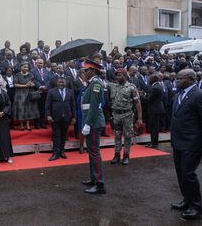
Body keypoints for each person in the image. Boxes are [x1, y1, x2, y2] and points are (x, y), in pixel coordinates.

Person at [170, 69, 202, 220]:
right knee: (180, 173)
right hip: (178, 141)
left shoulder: (200, 95)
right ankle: (186, 200)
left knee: (188, 173)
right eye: (176, 79)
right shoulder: (179, 95)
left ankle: (196, 207)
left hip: (192, 142)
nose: (176, 81)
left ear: (191, 78)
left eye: (179, 78)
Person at [80, 59, 106, 194]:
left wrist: (88, 124)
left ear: (93, 71)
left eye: (87, 70)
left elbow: (94, 106)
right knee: (91, 152)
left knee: (95, 153)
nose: (84, 72)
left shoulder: (96, 83)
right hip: (91, 121)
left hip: (94, 122)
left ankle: (100, 184)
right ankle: (94, 178)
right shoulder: (91, 83)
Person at [107, 68, 142, 165]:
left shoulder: (131, 87)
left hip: (127, 115)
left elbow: (137, 103)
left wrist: (139, 118)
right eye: (117, 75)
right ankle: (117, 155)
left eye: (120, 75)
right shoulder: (112, 86)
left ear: (125, 76)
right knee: (117, 136)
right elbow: (102, 82)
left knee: (127, 136)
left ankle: (126, 156)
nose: (118, 77)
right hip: (116, 115)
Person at [45, 77, 76, 161]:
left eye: (62, 82)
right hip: (55, 117)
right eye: (59, 82)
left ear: (65, 83)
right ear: (57, 83)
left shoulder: (70, 91)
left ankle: (62, 151)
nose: (61, 84)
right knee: (56, 136)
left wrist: (74, 117)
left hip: (66, 117)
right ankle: (55, 153)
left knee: (63, 135)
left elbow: (73, 105)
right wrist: (48, 115)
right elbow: (47, 105)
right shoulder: (51, 91)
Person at [12, 62, 39, 131]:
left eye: (27, 67)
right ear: (21, 67)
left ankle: (28, 125)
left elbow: (33, 83)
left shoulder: (31, 74)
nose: (26, 68)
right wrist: (25, 85)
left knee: (28, 109)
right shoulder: (17, 75)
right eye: (24, 67)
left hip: (29, 93)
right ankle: (21, 125)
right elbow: (15, 85)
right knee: (21, 109)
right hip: (20, 94)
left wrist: (31, 84)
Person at [145, 73, 165, 148]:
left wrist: (141, 96)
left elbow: (149, 99)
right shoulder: (157, 86)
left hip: (155, 109)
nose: (148, 80)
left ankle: (154, 143)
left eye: (149, 79)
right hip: (157, 109)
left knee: (154, 127)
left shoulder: (155, 87)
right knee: (154, 127)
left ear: (153, 80)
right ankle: (153, 142)